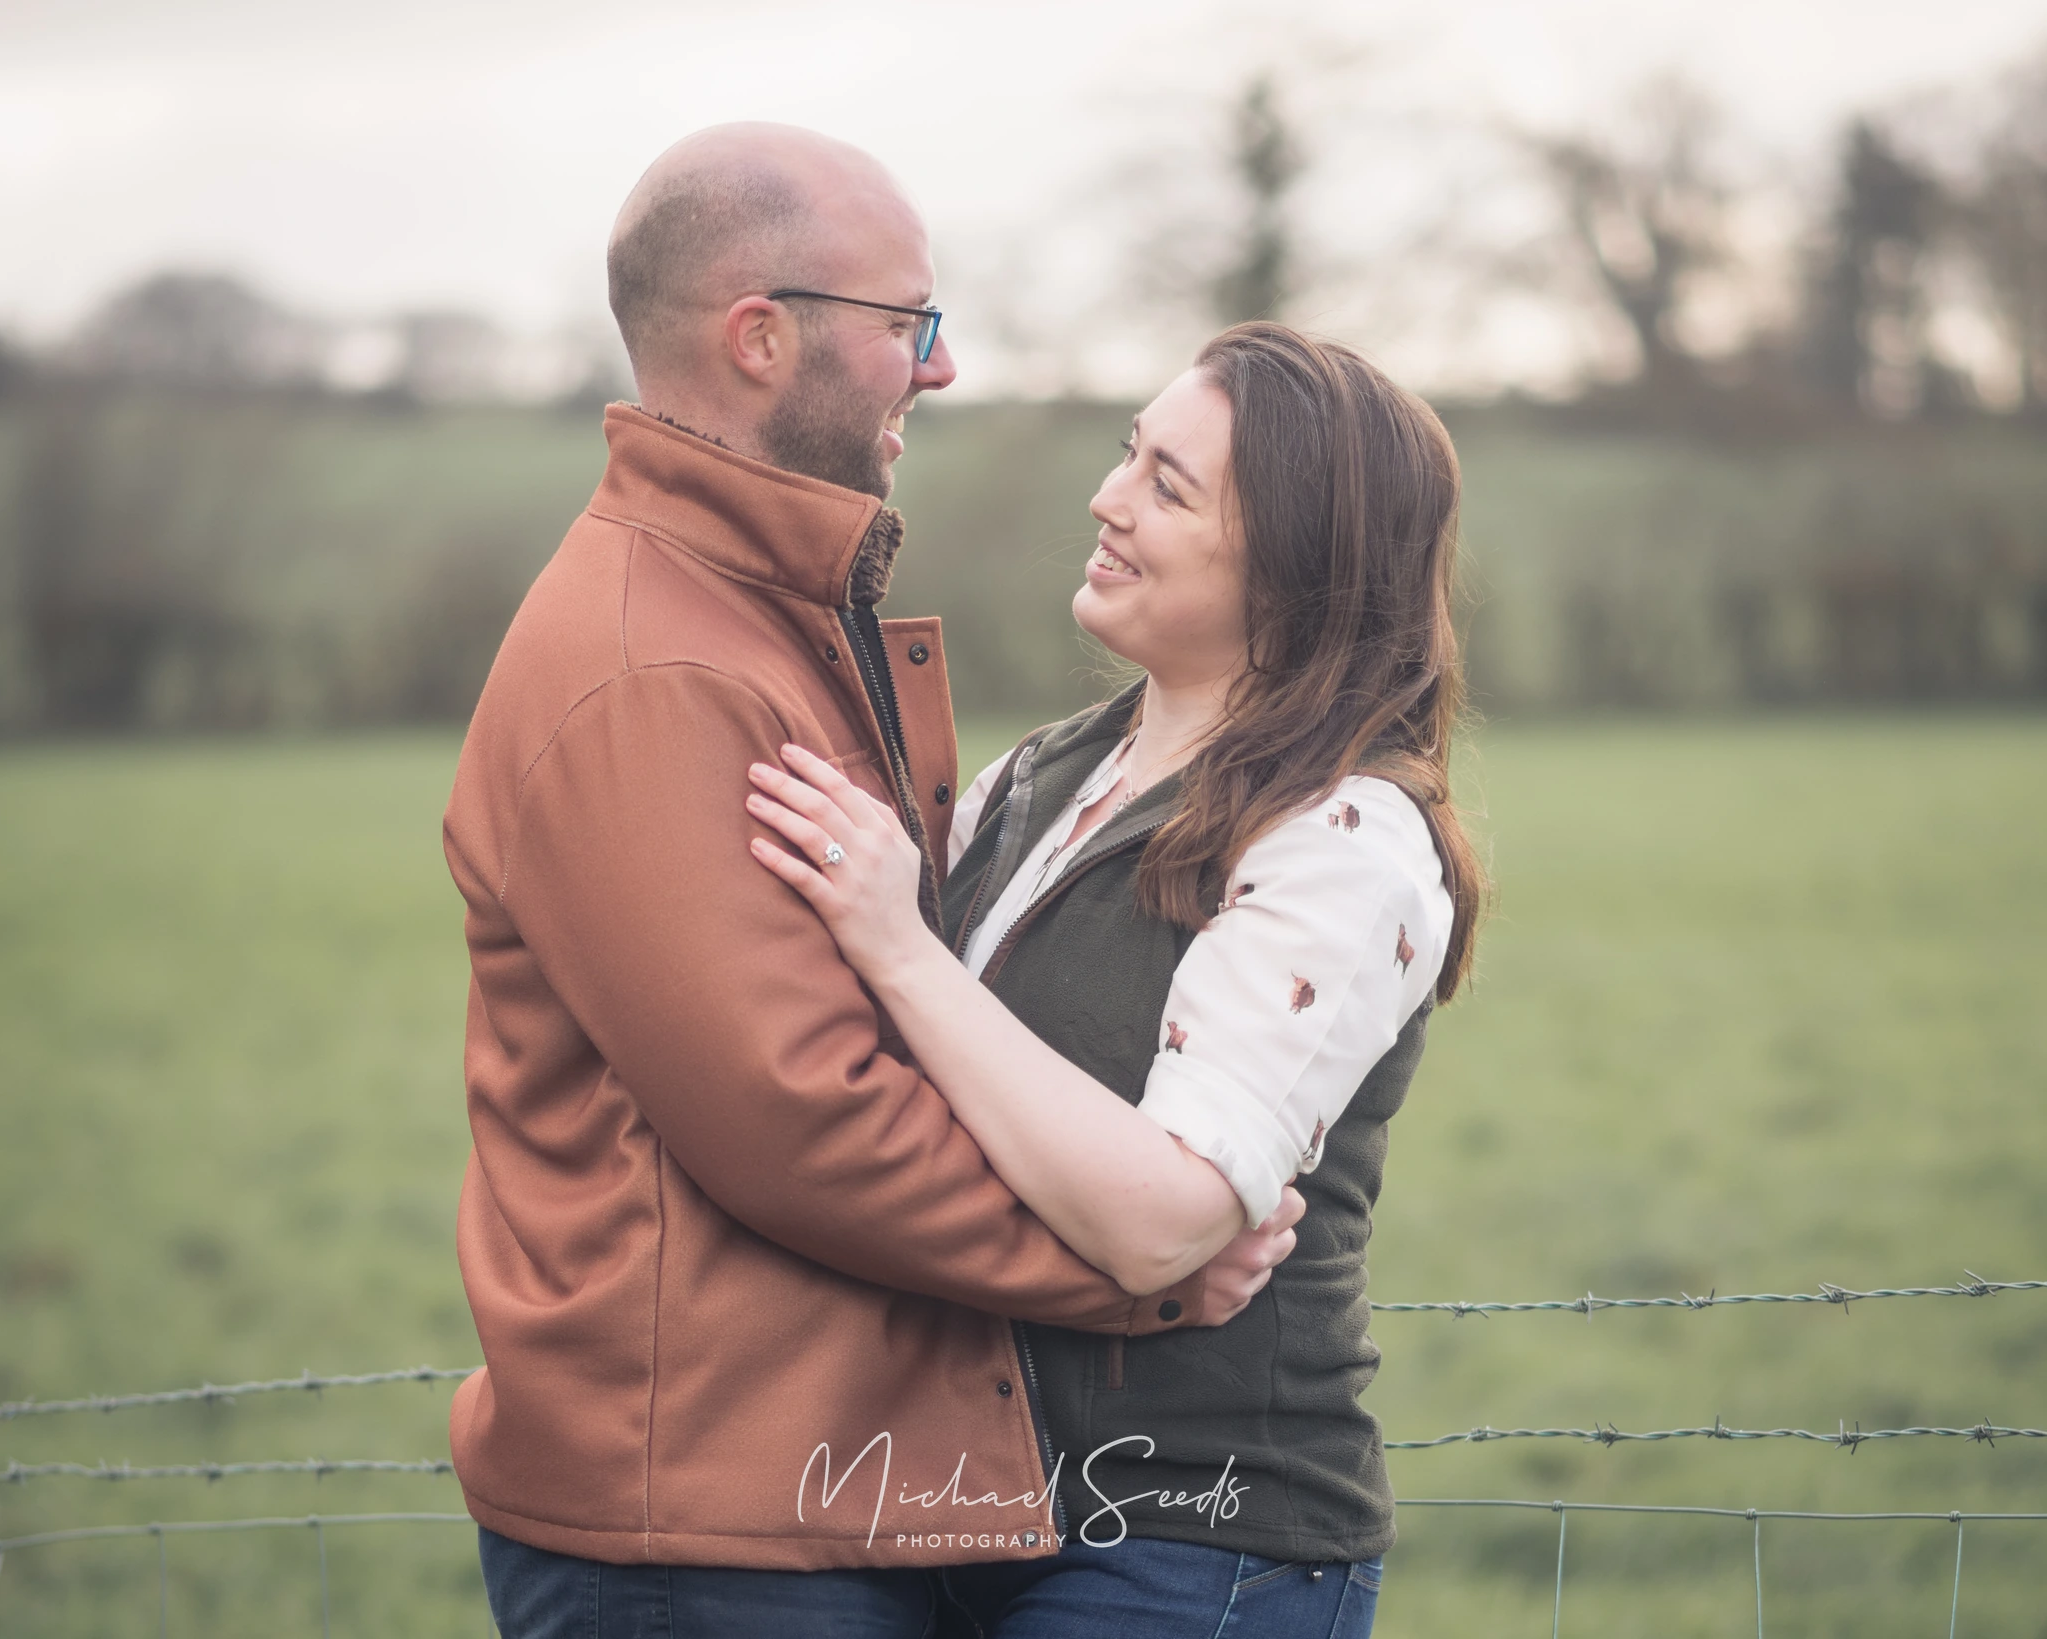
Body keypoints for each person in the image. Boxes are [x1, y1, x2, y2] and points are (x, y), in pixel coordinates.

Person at [443, 124, 1299, 1639]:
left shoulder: (754, 615)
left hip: (796, 1496)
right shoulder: (658, 669)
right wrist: (1138, 1264)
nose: (942, 369)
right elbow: (806, 1111)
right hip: (701, 1535)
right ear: (761, 337)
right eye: (911, 324)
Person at [745, 322, 1487, 1638]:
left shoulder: (1347, 839)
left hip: (1199, 1540)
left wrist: (901, 945)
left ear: (1295, 563)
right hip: (947, 1500)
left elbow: (1161, 1222)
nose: (1108, 497)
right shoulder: (1045, 773)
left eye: (1169, 484)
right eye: (1127, 455)